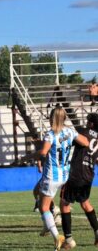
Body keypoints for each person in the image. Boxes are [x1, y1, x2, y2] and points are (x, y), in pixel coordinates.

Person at [33, 106, 88, 251]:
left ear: (51, 118)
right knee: (38, 191)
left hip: (52, 175)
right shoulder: (70, 131)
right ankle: (50, 223)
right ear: (64, 118)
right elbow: (85, 142)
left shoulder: (50, 135)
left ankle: (58, 237)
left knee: (43, 207)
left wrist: (33, 155)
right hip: (65, 175)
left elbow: (44, 153)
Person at [60, 113, 98, 249]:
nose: (87, 122)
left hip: (77, 173)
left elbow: (70, 139)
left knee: (64, 203)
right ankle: (97, 232)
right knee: (85, 203)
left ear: (92, 123)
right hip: (89, 174)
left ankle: (68, 240)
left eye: (88, 121)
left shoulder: (84, 131)